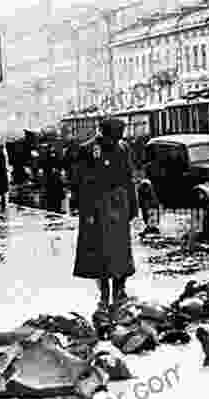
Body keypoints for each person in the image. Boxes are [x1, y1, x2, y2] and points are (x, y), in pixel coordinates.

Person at [73, 118, 138, 311]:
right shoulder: (88, 150)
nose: (115, 141)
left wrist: (133, 206)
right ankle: (104, 293)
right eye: (113, 137)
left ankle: (120, 289)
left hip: (119, 203)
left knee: (121, 251)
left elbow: (129, 178)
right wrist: (86, 211)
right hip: (97, 204)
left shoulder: (123, 148)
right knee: (100, 252)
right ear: (104, 133)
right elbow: (81, 183)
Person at [59, 124, 81, 215]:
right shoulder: (68, 143)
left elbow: (72, 157)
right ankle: (74, 207)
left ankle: (75, 207)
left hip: (74, 170)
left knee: (74, 189)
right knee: (72, 190)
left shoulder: (73, 143)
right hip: (71, 170)